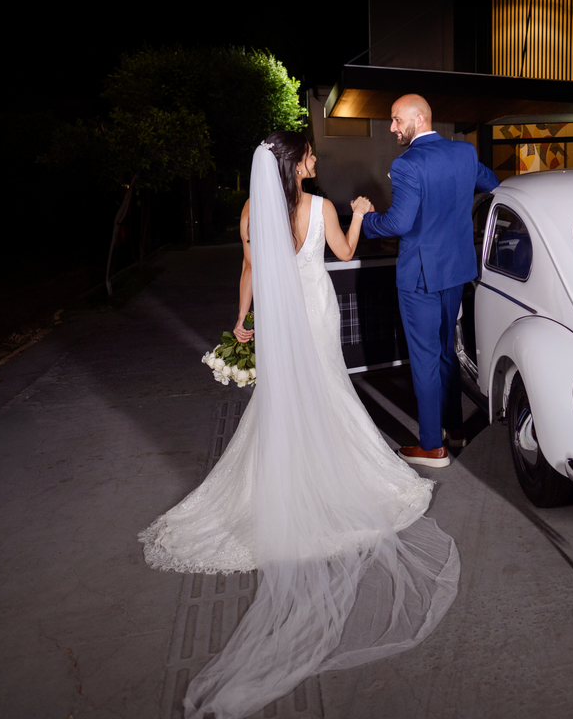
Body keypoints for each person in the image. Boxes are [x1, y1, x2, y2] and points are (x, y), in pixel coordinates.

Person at [139, 131, 460, 719]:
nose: (316, 159)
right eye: (309, 154)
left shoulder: (252, 210)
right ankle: (331, 481)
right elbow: (343, 252)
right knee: (329, 391)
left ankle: (290, 483)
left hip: (280, 321)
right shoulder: (321, 207)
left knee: (284, 398)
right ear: (295, 163)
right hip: (315, 311)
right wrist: (359, 214)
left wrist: (242, 321)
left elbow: (249, 268)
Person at [362, 94, 499, 467]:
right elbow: (492, 182)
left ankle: (431, 446)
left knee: (424, 358)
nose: (392, 128)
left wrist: (366, 219)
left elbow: (398, 223)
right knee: (444, 352)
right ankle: (454, 429)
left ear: (419, 119)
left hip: (420, 276)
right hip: (455, 271)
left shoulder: (407, 163)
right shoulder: (464, 153)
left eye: (396, 120)